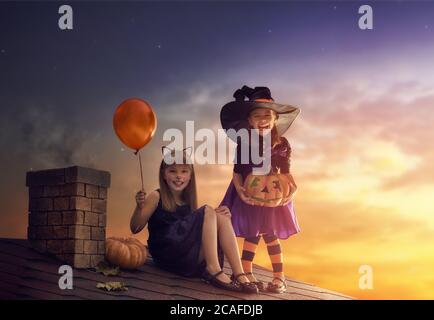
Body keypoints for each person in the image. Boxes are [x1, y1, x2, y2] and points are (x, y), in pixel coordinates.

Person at [130, 147, 258, 294]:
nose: (179, 176)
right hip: (167, 254)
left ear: (190, 176)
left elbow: (194, 230)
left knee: (221, 215)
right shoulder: (156, 196)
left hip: (186, 255)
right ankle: (213, 269)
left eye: (184, 171)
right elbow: (135, 227)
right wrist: (139, 208)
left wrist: (218, 218)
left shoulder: (187, 201)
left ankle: (239, 273)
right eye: (172, 171)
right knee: (208, 211)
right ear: (164, 175)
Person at [220, 85, 301, 293]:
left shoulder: (282, 143)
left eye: (267, 115)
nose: (263, 120)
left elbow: (285, 171)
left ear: (275, 119)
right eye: (257, 116)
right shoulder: (244, 142)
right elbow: (237, 172)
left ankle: (279, 277)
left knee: (270, 232)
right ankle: (246, 271)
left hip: (273, 192)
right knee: (252, 231)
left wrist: (293, 189)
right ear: (249, 120)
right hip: (249, 190)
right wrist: (240, 192)